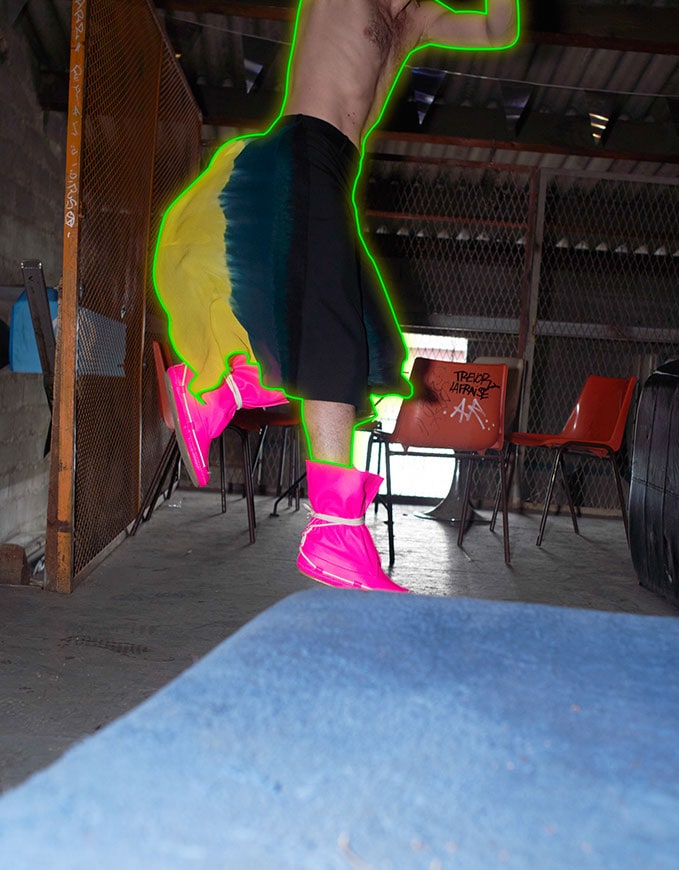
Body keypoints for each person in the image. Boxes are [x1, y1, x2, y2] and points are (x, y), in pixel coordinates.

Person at [154, 0, 520, 593]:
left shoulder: (417, 20)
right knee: (332, 339)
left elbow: (497, 28)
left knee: (372, 346)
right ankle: (334, 529)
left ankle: (216, 393)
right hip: (303, 151)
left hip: (333, 177)